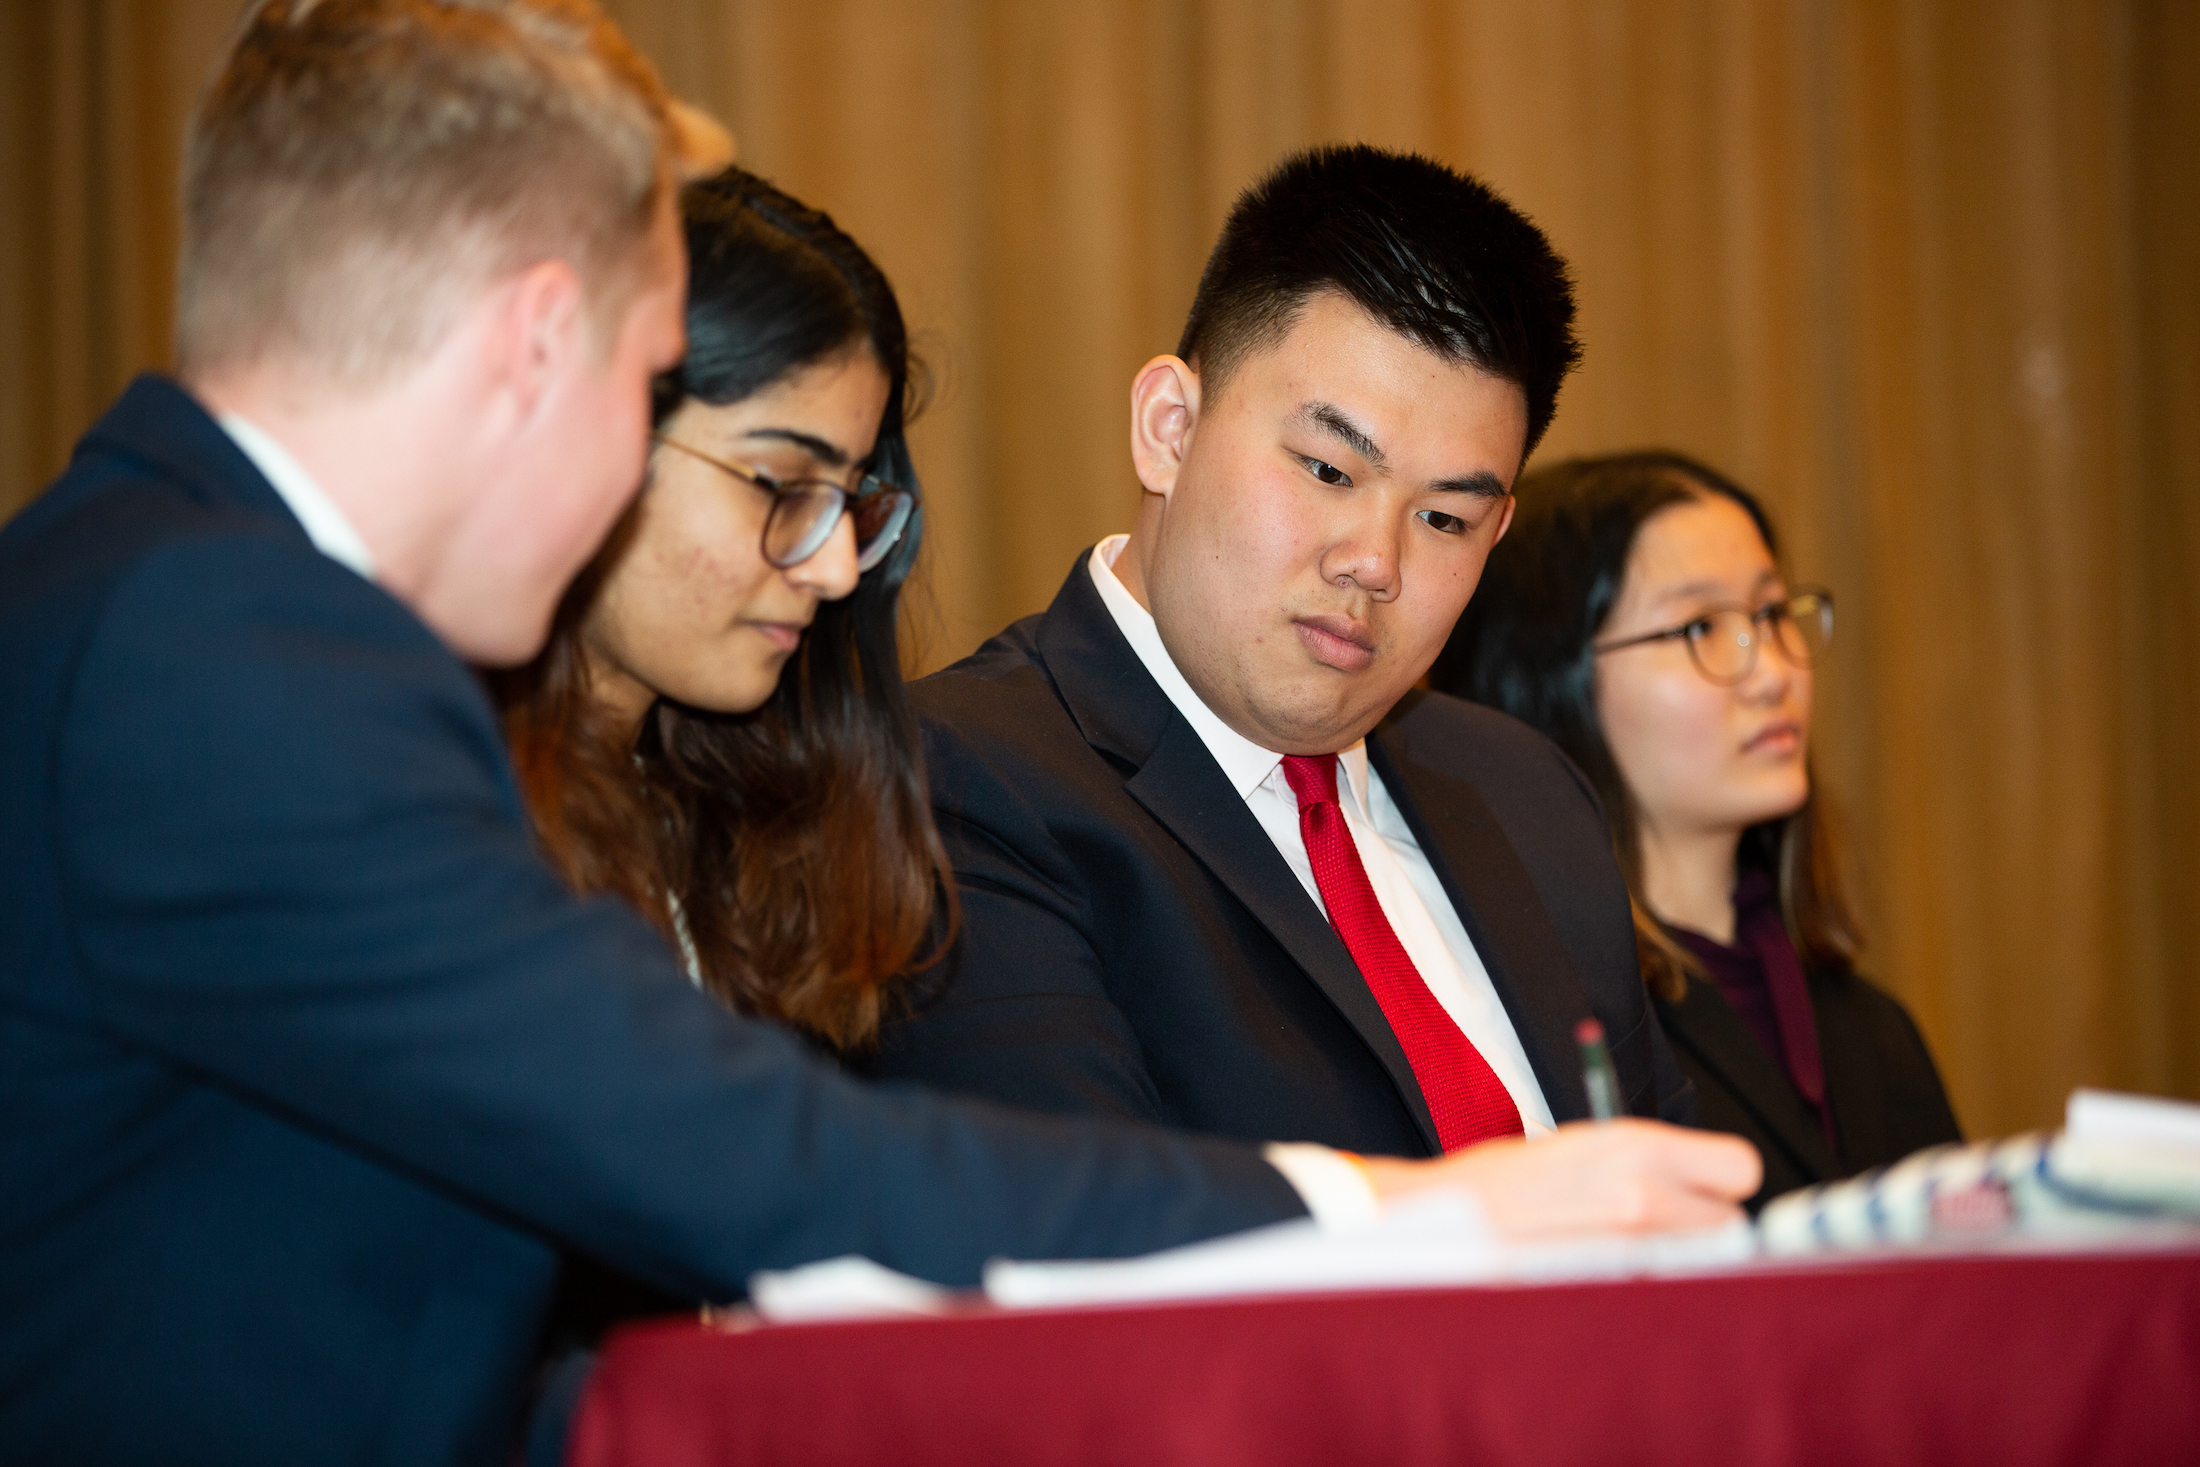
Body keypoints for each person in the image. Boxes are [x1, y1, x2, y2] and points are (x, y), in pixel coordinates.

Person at [0, 8, 1755, 1464]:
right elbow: (733, 1153)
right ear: (540, 343)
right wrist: (1412, 1219)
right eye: (648, 389)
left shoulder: (154, 590)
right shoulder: (221, 643)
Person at [869, 145, 1698, 1159]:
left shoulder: (1527, 796)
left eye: (1443, 519)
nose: (1373, 563)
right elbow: (1095, 1254)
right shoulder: (953, 783)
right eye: (1327, 469)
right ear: (1168, 427)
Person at [1429, 450, 1961, 1207]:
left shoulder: (1874, 1027)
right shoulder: (1544, 1037)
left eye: (1774, 615)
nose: (1773, 670)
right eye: (1701, 626)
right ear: (1549, 682)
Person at [494, 163, 939, 1054]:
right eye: (780, 484)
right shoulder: (436, 808)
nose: (839, 568)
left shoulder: (716, 816)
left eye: (850, 501)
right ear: (589, 433)